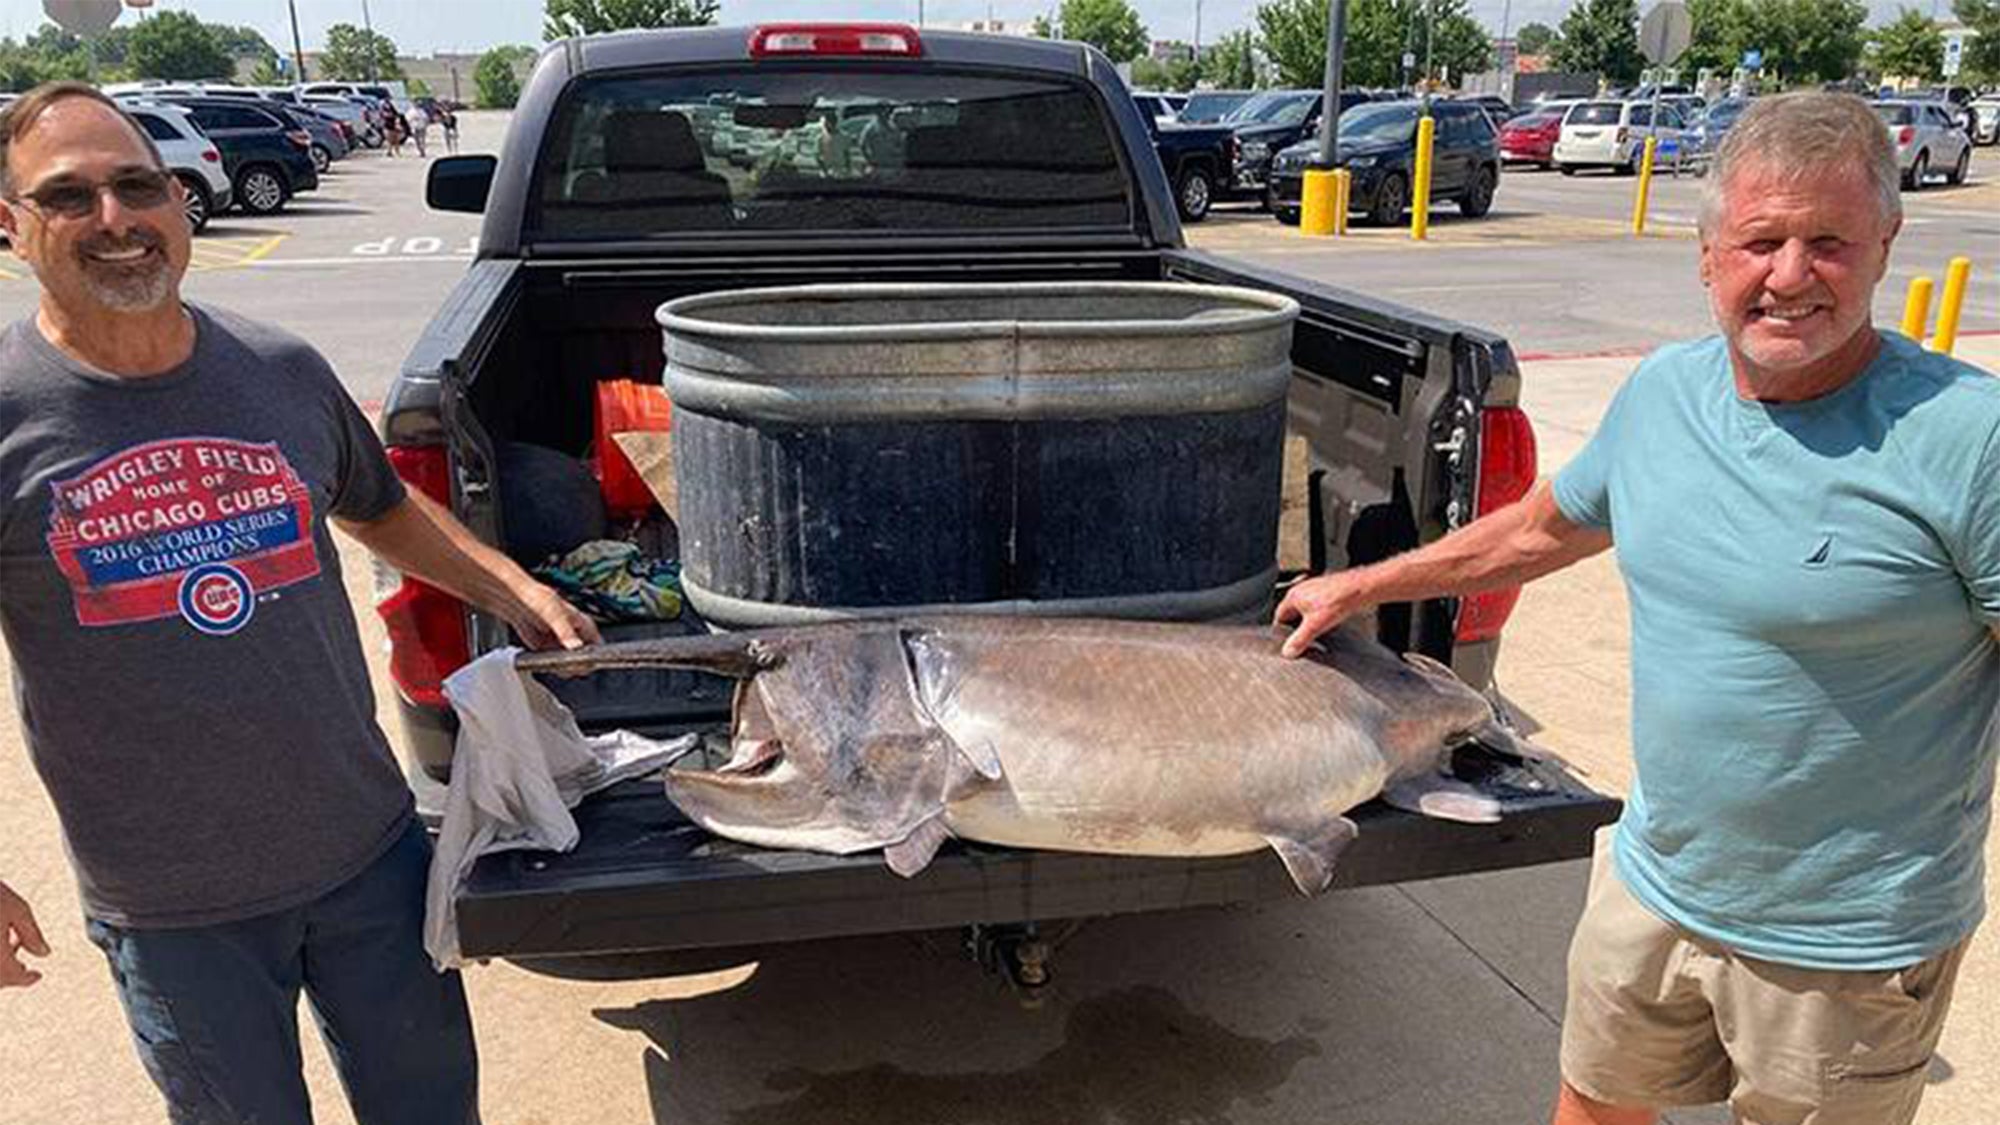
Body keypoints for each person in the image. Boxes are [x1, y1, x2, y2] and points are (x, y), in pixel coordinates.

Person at [1275, 91, 2000, 1125]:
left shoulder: (1967, 441)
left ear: (1885, 245)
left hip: (1844, 940)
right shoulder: (1664, 395)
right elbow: (1541, 528)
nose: (1788, 276)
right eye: (1759, 241)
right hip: (1657, 880)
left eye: (1827, 242)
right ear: (1707, 256)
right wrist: (1363, 583)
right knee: (1594, 1109)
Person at [0, 82, 599, 1123]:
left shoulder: (275, 369)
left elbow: (377, 505)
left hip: (367, 856)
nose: (114, 219)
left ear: (181, 203)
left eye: (138, 186)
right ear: (11, 225)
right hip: (175, 911)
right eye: (68, 196)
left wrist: (511, 586)